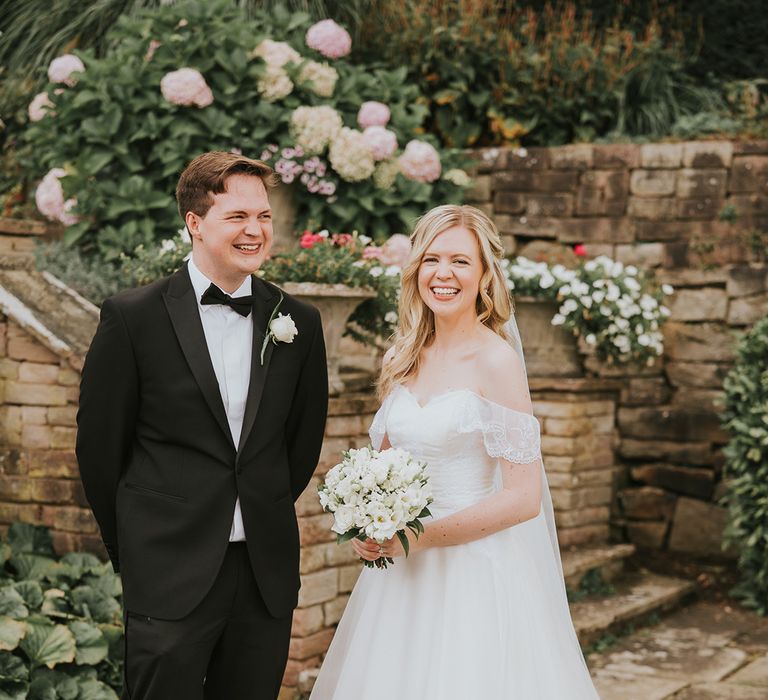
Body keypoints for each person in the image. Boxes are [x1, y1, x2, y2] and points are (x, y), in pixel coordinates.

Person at [310, 204, 600, 699]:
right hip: (399, 578)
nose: (443, 274)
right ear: (416, 269)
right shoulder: (400, 357)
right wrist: (366, 525)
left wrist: (419, 539)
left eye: (461, 261)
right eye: (431, 259)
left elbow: (523, 497)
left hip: (474, 573)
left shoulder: (496, 361)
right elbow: (380, 468)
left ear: (485, 275)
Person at [76, 151, 328, 700]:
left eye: (262, 216)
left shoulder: (298, 323)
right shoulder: (132, 317)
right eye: (237, 216)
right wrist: (138, 551)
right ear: (195, 223)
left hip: (263, 576)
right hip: (168, 569)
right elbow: (100, 450)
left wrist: (258, 504)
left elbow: (301, 444)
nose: (255, 230)